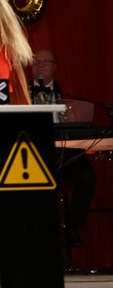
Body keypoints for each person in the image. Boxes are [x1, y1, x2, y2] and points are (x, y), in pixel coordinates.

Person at [30, 49, 96, 250]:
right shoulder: (20, 92)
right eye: (36, 62)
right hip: (34, 155)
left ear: (55, 68)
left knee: (87, 175)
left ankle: (74, 226)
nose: (40, 65)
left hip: (65, 153)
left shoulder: (67, 93)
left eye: (46, 62)